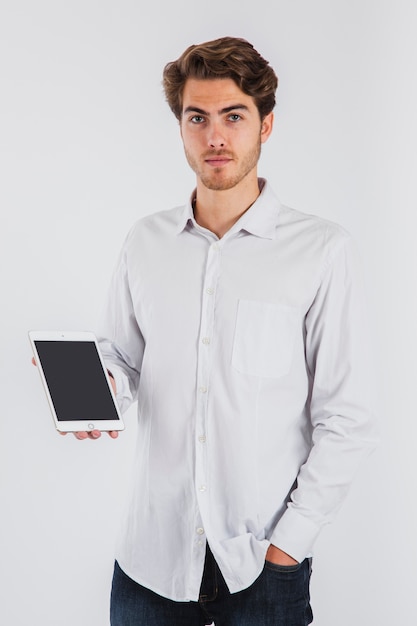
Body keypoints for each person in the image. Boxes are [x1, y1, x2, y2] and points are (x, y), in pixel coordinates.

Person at [83, 37, 377, 625]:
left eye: (233, 116)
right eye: (198, 118)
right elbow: (123, 359)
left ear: (265, 126)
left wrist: (288, 545)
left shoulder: (320, 250)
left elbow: (346, 418)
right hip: (151, 562)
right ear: (181, 128)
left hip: (264, 568)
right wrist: (93, 390)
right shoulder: (145, 242)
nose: (215, 136)